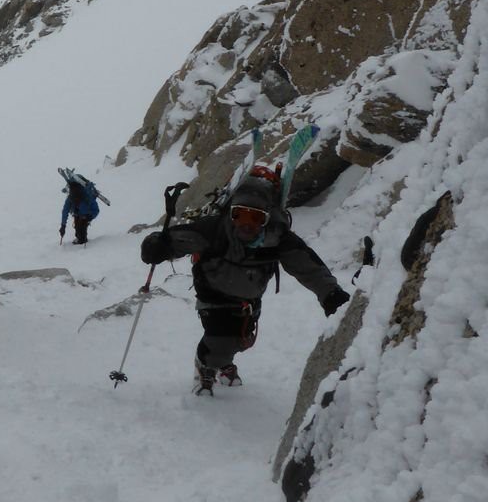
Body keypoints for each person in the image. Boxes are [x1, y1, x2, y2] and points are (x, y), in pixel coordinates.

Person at [139, 167, 350, 394]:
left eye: (256, 217)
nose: (246, 223)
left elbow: (309, 268)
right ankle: (206, 365)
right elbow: (178, 239)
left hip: (249, 299)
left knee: (242, 340)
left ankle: (222, 360)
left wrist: (330, 294)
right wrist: (156, 246)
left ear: (267, 218)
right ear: (231, 213)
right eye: (239, 215)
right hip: (213, 294)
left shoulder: (278, 238)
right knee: (220, 342)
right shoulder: (215, 230)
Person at [60, 175, 100, 245]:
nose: (76, 202)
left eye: (78, 201)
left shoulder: (87, 197)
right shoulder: (70, 199)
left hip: (86, 214)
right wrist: (63, 226)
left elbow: (96, 210)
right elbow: (65, 211)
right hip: (77, 213)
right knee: (78, 228)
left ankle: (82, 239)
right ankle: (79, 238)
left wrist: (90, 217)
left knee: (82, 232)